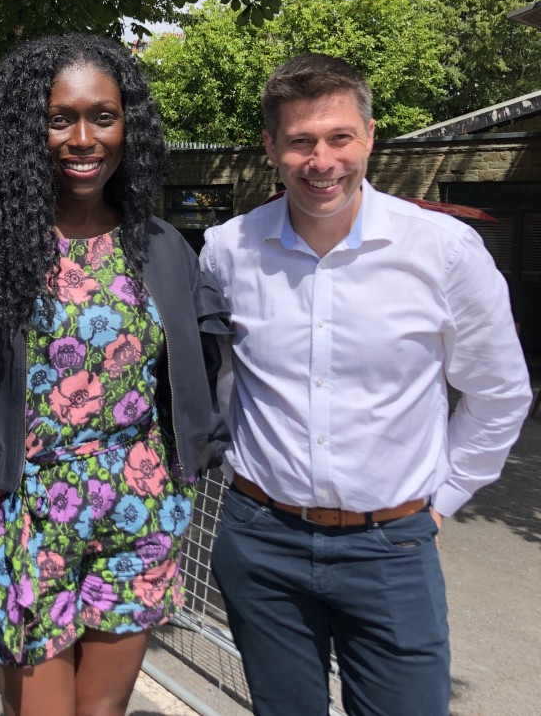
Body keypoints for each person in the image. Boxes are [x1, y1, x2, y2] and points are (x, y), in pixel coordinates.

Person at [201, 53, 533, 716]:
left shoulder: (443, 250)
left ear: (370, 136)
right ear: (271, 147)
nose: (321, 160)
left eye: (339, 137)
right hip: (261, 540)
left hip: (391, 547)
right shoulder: (227, 251)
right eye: (300, 141)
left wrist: (443, 499)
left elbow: (500, 392)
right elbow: (222, 383)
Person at [0, 33, 229, 716]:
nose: (83, 138)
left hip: (141, 505)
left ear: (128, 126)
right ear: (27, 127)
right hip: (23, 511)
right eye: (60, 118)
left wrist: (196, 448)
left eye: (103, 117)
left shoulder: (162, 247)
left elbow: (201, 361)